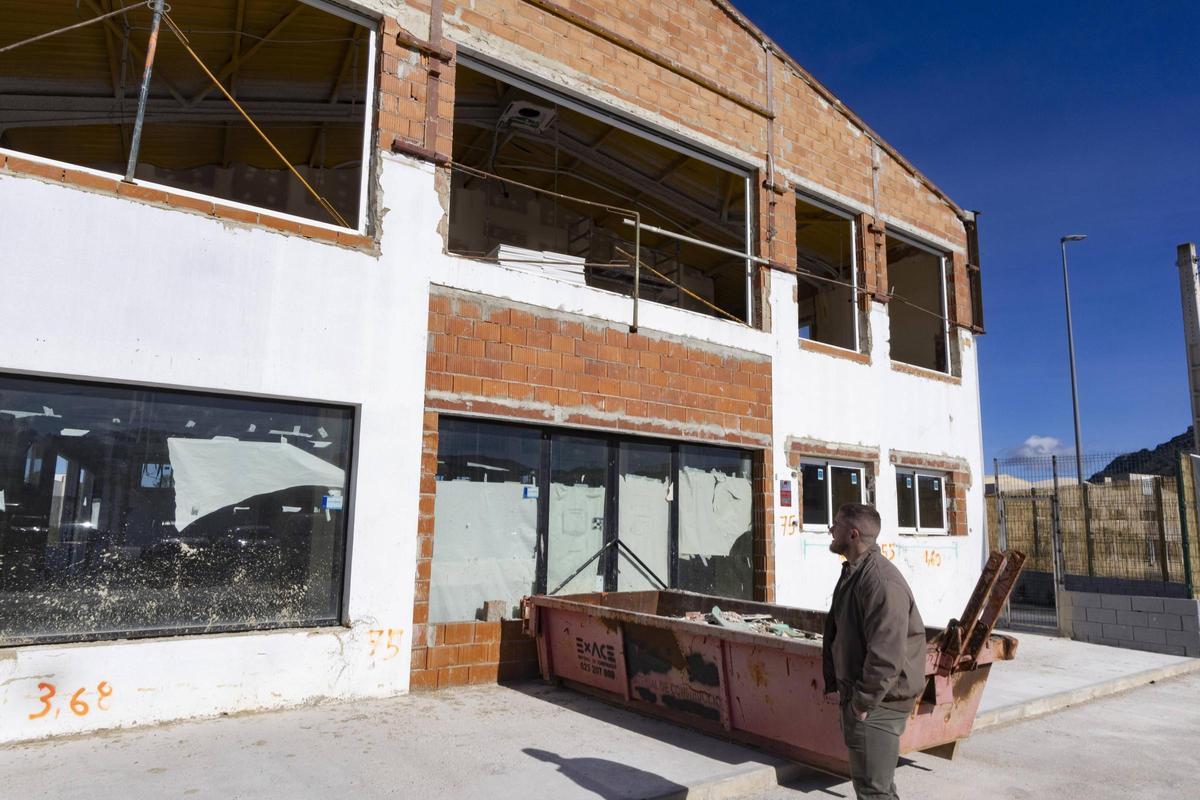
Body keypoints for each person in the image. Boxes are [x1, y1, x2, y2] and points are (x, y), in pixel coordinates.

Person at [822, 503, 926, 800]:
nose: (831, 529)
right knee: (876, 787)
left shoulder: (880, 581)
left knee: (873, 792)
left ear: (853, 534)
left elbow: (886, 654)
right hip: (871, 698)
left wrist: (862, 703)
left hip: (880, 702)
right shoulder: (857, 573)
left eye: (837, 524)